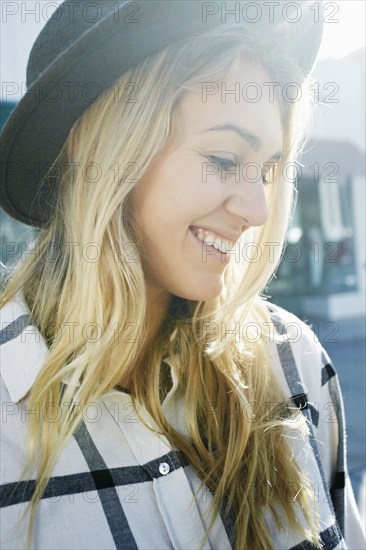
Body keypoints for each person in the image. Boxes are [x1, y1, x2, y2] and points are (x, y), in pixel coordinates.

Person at [0, 1, 364, 549]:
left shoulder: (294, 362)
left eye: (266, 171)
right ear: (95, 142)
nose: (257, 210)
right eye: (223, 160)